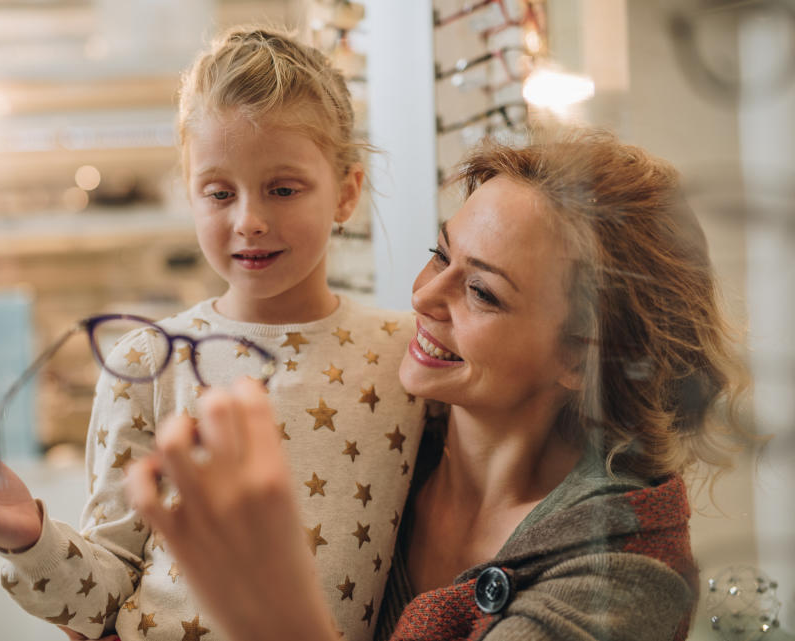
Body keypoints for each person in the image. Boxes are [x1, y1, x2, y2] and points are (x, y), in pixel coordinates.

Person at [126, 128, 750, 641]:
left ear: (583, 359)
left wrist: (269, 604)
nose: (424, 295)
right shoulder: (376, 440)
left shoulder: (626, 577)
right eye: (440, 252)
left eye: (481, 291)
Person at [0, 27, 428, 640]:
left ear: (346, 193)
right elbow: (106, 594)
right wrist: (29, 537)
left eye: (283, 189)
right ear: (190, 193)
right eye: (219, 192)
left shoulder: (405, 355)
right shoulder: (146, 362)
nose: (249, 220)